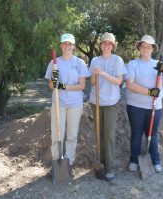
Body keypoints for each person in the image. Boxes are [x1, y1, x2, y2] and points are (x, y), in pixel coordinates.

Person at [125, 35, 163, 173]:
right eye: (143, 46)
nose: (145, 48)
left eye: (149, 46)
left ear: (153, 49)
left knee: (153, 134)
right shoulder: (133, 64)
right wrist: (150, 92)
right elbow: (130, 85)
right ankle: (134, 160)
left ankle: (155, 160)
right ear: (139, 47)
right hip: (135, 106)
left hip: (155, 107)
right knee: (136, 133)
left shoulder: (159, 65)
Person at [44, 33, 90, 177]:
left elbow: (82, 85)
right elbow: (51, 85)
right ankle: (57, 163)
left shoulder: (79, 63)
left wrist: (62, 85)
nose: (67, 47)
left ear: (74, 46)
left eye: (70, 44)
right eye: (64, 44)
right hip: (59, 103)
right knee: (57, 134)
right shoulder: (54, 63)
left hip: (75, 104)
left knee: (71, 135)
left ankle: (69, 163)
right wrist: (55, 80)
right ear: (61, 46)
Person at [89, 32, 126, 181]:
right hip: (96, 102)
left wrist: (103, 73)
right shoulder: (94, 60)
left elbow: (119, 82)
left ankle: (110, 167)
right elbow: (91, 82)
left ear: (113, 46)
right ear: (101, 45)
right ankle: (101, 163)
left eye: (109, 43)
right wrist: (95, 75)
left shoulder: (117, 60)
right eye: (104, 43)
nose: (106, 45)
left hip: (111, 103)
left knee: (109, 135)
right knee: (100, 134)